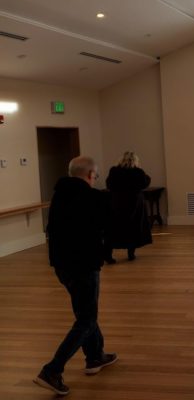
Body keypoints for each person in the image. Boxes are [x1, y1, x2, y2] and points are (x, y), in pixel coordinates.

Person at [34, 156, 118, 396]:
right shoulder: (94, 197)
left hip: (62, 266)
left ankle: (95, 356)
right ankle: (52, 370)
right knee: (87, 318)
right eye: (97, 176)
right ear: (91, 175)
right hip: (84, 265)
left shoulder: (58, 195)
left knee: (85, 312)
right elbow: (109, 225)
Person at [104, 151, 152, 263]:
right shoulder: (138, 172)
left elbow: (109, 185)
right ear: (135, 160)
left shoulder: (114, 171)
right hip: (134, 204)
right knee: (133, 227)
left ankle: (108, 255)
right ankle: (131, 253)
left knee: (113, 229)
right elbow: (145, 182)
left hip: (116, 203)